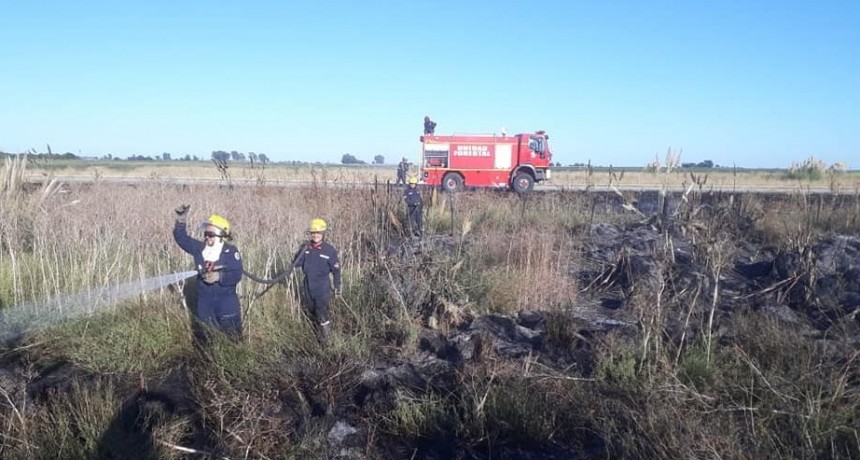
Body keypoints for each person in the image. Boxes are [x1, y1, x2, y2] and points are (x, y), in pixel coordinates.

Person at [173, 205, 244, 341]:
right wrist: (181, 220)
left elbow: (237, 274)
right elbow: (181, 238)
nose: (207, 238)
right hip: (204, 302)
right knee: (206, 338)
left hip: (226, 301)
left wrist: (219, 276)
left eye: (210, 234)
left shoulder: (231, 252)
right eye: (206, 234)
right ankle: (207, 360)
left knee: (232, 338)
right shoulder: (199, 249)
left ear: (222, 236)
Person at [290, 218, 342, 343]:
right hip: (308, 285)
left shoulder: (329, 250)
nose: (315, 235)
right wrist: (296, 256)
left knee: (322, 313)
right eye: (313, 233)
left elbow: (336, 271)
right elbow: (296, 264)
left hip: (322, 287)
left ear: (323, 234)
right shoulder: (306, 248)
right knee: (311, 312)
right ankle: (316, 337)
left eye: (318, 233)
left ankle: (327, 342)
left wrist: (337, 287)